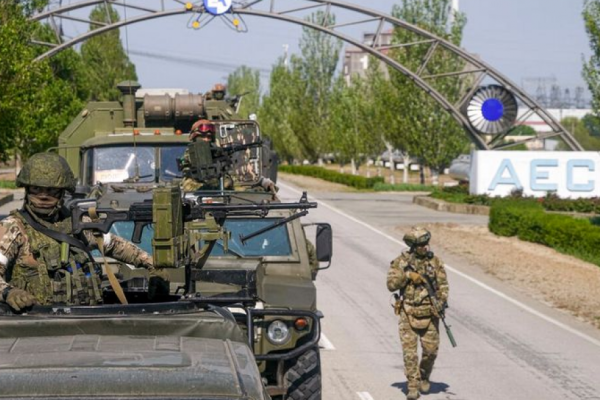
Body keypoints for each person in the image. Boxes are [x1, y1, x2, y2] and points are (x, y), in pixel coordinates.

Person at [0, 152, 168, 311]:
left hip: (87, 318)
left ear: (63, 192)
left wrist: (154, 266)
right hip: (37, 320)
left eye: (51, 190)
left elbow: (115, 245)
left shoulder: (77, 224)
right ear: (27, 190)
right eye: (36, 189)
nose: (43, 196)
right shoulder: (13, 228)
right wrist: (10, 293)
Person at [387, 226, 449, 400]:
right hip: (408, 312)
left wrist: (440, 303)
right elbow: (391, 285)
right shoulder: (400, 262)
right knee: (410, 354)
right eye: (421, 245)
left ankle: (424, 375)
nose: (425, 247)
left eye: (426, 244)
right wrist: (407, 276)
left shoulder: (435, 262)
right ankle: (412, 385)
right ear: (413, 246)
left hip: (430, 313)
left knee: (431, 351)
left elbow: (443, 286)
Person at [179, 119, 277, 195]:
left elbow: (231, 178)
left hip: (218, 191)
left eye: (209, 137)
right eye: (203, 137)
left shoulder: (215, 152)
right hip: (195, 189)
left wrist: (259, 183)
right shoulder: (191, 153)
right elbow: (194, 173)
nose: (206, 140)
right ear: (195, 137)